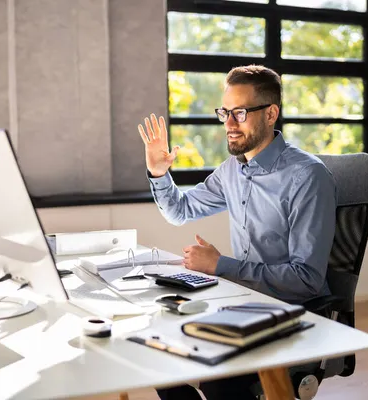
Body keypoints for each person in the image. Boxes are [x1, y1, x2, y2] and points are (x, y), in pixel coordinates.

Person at [137, 64, 337, 400]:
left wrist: (221, 266)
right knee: (158, 348)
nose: (229, 124)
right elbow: (180, 210)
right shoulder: (232, 170)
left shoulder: (307, 177)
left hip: (289, 311)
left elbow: (306, 280)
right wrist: (158, 173)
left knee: (218, 379)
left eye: (240, 113)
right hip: (241, 302)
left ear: (271, 113)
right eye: (225, 112)